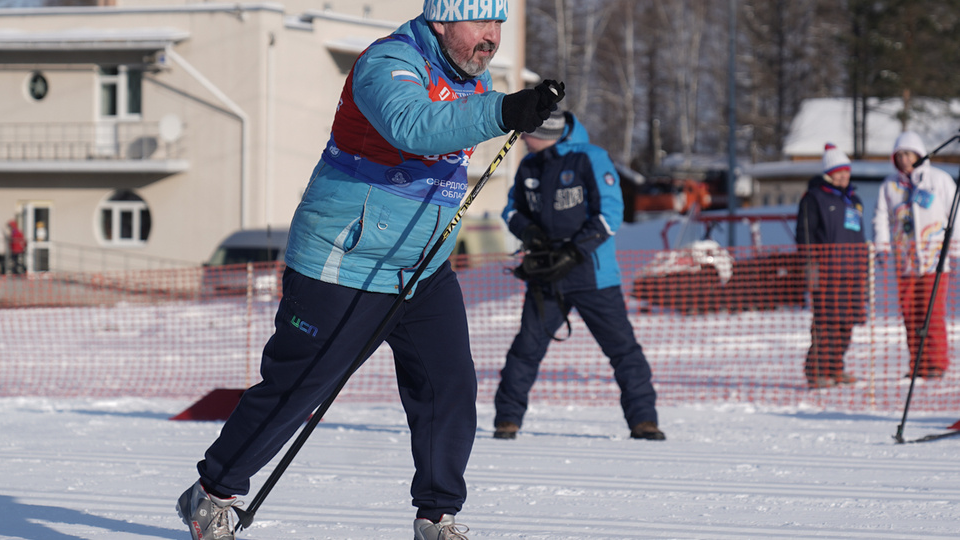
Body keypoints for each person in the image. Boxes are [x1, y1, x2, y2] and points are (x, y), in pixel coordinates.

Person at [176, 2, 561, 539]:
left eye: (497, 24)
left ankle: (437, 515)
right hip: (346, 259)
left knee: (448, 385)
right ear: (441, 21)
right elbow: (412, 126)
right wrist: (502, 111)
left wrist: (504, 108)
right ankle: (213, 491)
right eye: (480, 23)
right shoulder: (387, 63)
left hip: (422, 265)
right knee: (297, 389)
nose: (491, 37)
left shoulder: (474, 79)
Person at [492, 109, 664, 442]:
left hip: (593, 276)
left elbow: (610, 214)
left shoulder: (590, 158)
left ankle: (644, 421)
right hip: (546, 274)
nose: (522, 138)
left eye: (527, 132)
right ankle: (507, 420)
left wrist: (574, 251)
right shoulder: (529, 165)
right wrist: (529, 232)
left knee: (623, 350)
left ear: (543, 133)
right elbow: (511, 210)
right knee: (525, 349)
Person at [874, 131, 957, 379]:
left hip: (935, 261)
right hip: (906, 262)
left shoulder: (939, 180)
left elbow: (956, 214)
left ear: (919, 155)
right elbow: (881, 217)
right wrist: (882, 246)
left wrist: (955, 249)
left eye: (908, 154)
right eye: (899, 156)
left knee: (932, 313)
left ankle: (936, 363)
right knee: (911, 314)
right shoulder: (890, 186)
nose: (904, 160)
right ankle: (917, 364)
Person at [796, 143, 868, 389]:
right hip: (827, 271)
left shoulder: (854, 200)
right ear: (828, 174)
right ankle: (817, 371)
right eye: (838, 171)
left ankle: (836, 368)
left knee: (846, 322)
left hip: (852, 272)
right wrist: (810, 265)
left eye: (846, 170)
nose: (843, 176)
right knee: (826, 322)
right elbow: (805, 233)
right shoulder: (814, 198)